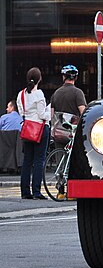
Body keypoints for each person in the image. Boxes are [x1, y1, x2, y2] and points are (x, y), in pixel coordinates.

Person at [17, 67, 50, 200]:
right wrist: (49, 112)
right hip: (40, 130)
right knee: (39, 160)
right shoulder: (39, 94)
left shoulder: (21, 94)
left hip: (27, 130)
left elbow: (22, 113)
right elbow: (42, 115)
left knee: (27, 161)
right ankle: (36, 191)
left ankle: (25, 191)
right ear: (39, 79)